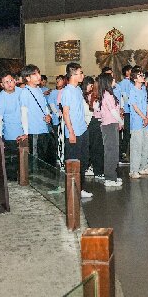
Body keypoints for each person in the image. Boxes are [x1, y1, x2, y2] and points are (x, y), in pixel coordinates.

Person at [62, 63, 92, 198]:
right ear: (73, 74)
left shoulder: (78, 89)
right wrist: (71, 132)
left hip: (82, 129)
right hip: (74, 132)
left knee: (83, 160)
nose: (82, 75)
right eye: (80, 73)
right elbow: (66, 113)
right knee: (74, 162)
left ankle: (80, 188)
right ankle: (73, 190)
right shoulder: (67, 91)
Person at [19, 65, 53, 170]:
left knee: (44, 159)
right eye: (35, 74)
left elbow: (45, 106)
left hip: (44, 128)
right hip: (34, 131)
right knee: (35, 160)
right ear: (27, 78)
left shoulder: (39, 89)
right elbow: (23, 113)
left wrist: (48, 115)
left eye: (38, 73)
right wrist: (26, 132)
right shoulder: (25, 92)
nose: (39, 76)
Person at [0, 72, 23, 180]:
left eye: (11, 80)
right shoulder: (1, 98)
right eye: (6, 82)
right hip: (11, 135)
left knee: (26, 161)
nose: (9, 83)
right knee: (13, 162)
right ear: (2, 85)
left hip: (26, 132)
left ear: (15, 81)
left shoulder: (22, 92)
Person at [98, 73, 123, 187]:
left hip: (112, 124)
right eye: (113, 79)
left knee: (114, 151)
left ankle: (113, 175)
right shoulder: (107, 95)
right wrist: (121, 121)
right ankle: (109, 177)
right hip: (109, 125)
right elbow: (113, 111)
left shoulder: (109, 94)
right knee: (110, 151)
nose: (115, 81)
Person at [128, 67, 148, 179]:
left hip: (146, 122)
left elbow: (147, 104)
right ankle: (134, 170)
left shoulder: (144, 90)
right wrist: (143, 117)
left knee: (145, 145)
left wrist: (147, 116)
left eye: (142, 75)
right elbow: (135, 106)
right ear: (134, 79)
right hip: (137, 123)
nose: (142, 77)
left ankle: (143, 167)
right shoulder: (132, 90)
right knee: (136, 147)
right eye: (140, 75)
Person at [85, 76, 104, 181]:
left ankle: (97, 169)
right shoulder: (94, 97)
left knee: (98, 148)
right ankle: (98, 171)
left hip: (97, 122)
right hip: (95, 123)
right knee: (96, 148)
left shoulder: (99, 96)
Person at [47, 74, 66, 167]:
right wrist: (57, 114)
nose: (58, 81)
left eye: (60, 80)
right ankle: (58, 158)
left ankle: (64, 157)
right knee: (57, 139)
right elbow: (51, 104)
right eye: (57, 80)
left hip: (65, 120)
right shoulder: (54, 92)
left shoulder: (65, 91)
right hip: (57, 120)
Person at [116, 64, 133, 163]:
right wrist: (130, 104)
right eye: (131, 70)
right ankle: (123, 152)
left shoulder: (132, 82)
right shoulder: (123, 83)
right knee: (126, 133)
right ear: (127, 72)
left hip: (131, 111)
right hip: (126, 111)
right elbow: (124, 96)